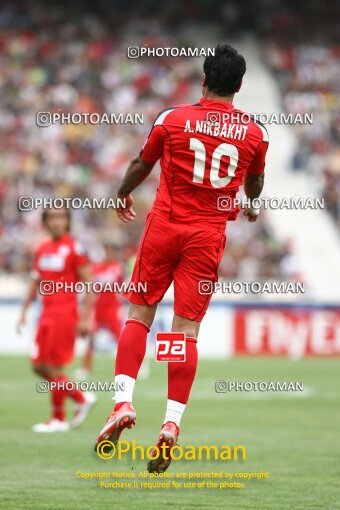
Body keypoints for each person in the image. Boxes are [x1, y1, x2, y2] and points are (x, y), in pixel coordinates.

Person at [95, 44, 269, 472]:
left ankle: (121, 402)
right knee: (184, 331)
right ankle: (171, 425)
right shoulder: (255, 133)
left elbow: (142, 162)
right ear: (240, 86)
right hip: (207, 236)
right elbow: (255, 179)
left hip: (165, 226)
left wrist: (121, 193)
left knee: (139, 314)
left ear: (204, 80)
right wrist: (250, 203)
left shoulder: (173, 118)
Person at [17, 206, 96, 432]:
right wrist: (23, 311)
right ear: (45, 221)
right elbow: (35, 281)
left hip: (65, 313)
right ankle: (81, 399)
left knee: (53, 367)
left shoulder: (75, 248)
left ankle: (58, 419)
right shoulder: (42, 248)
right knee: (39, 366)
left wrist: (85, 318)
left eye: (61, 217)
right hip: (45, 314)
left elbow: (90, 284)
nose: (56, 221)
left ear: (68, 221)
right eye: (52, 217)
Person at [75, 242, 124, 380]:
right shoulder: (96, 268)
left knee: (122, 339)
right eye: (106, 251)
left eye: (110, 252)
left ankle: (137, 365)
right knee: (91, 339)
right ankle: (85, 368)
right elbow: (90, 286)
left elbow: (121, 287)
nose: (108, 254)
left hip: (112, 309)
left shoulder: (117, 267)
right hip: (98, 309)